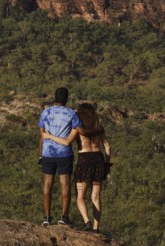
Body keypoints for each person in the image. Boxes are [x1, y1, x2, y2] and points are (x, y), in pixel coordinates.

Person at [38, 88, 102, 227]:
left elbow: (41, 135)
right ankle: (64, 217)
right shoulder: (71, 113)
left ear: (54, 97)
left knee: (47, 185)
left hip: (48, 153)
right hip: (64, 154)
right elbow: (83, 132)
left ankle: (47, 217)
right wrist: (98, 130)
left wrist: (40, 155)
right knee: (65, 185)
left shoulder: (45, 112)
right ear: (67, 99)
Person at [43, 103, 111, 233]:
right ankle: (96, 228)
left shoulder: (78, 129)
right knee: (96, 196)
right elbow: (108, 147)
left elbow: (67, 142)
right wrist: (107, 164)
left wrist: (49, 136)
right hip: (98, 159)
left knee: (81, 196)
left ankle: (87, 222)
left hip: (84, 160)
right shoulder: (99, 128)